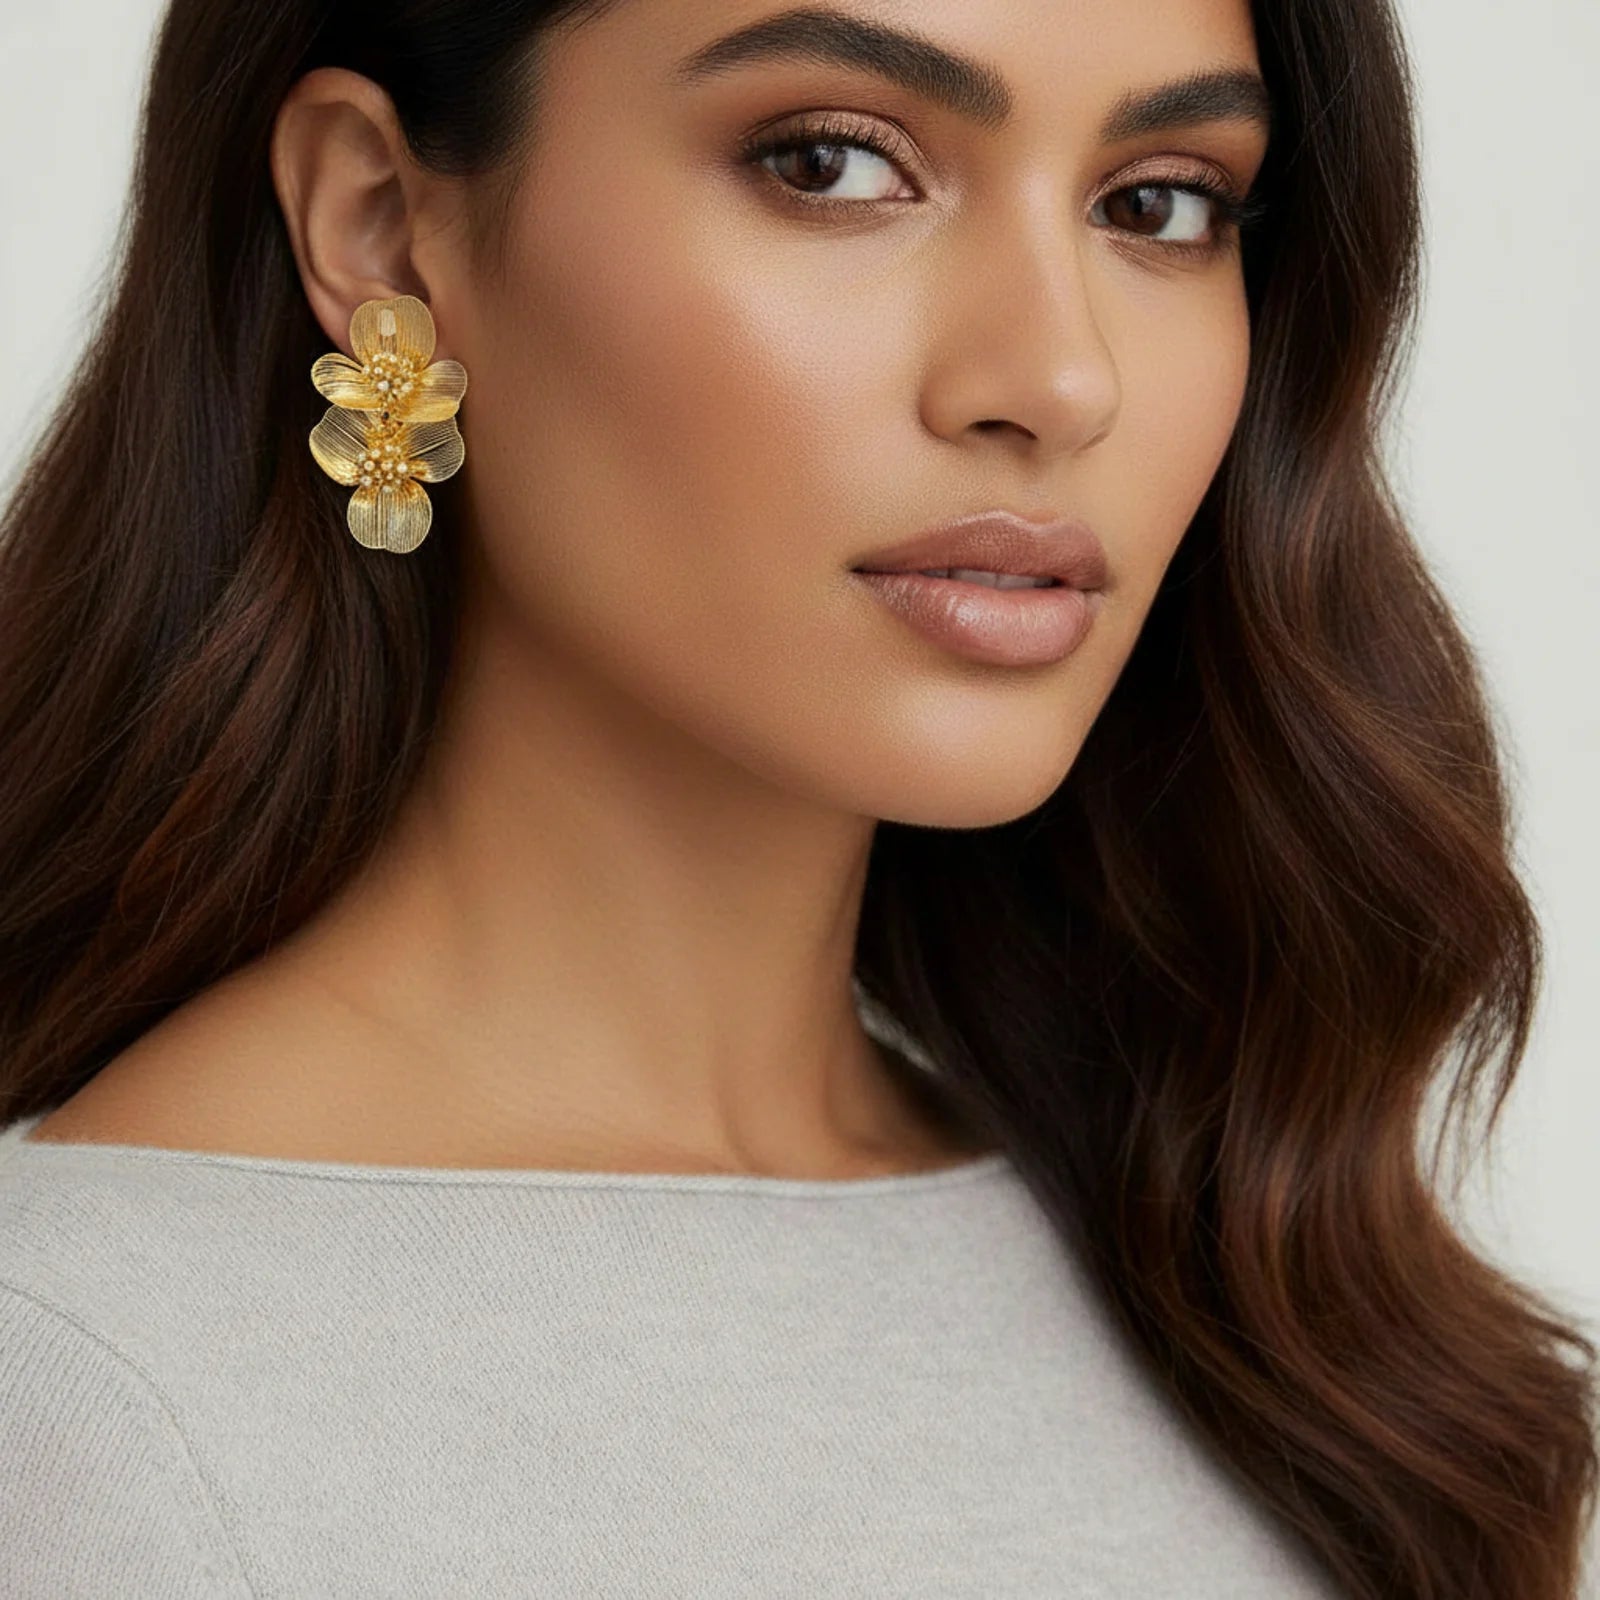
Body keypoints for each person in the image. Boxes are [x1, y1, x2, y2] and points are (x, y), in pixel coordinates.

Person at [0, 0, 1594, 1595]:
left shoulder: (1261, 1284)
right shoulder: (81, 1396)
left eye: (1158, 202)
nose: (1057, 376)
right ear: (386, 232)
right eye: (834, 164)